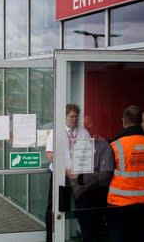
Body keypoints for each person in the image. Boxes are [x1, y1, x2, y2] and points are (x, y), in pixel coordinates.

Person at [106, 105, 144, 242]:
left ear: (124, 122)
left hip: (120, 205)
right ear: (141, 121)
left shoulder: (115, 146)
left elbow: (105, 177)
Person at [45, 103, 90, 242]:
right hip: (60, 175)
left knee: (82, 206)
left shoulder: (84, 132)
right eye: (71, 116)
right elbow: (49, 154)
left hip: (79, 176)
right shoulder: (56, 131)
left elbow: (88, 154)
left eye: (76, 116)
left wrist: (79, 170)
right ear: (64, 117)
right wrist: (64, 171)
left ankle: (86, 236)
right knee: (54, 206)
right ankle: (51, 238)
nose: (74, 119)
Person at [71, 136, 114, 242]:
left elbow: (106, 175)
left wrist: (85, 188)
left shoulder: (103, 146)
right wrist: (73, 185)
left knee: (95, 228)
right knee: (84, 226)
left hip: (95, 193)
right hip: (78, 192)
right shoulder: (74, 143)